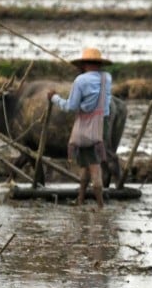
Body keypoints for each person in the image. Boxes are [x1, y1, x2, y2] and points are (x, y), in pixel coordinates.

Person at [47, 47, 112, 208]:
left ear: (83, 64)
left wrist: (54, 98)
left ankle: (101, 207)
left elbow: (71, 106)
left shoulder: (80, 81)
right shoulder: (107, 78)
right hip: (102, 124)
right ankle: (80, 199)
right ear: (99, 64)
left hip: (86, 128)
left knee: (94, 167)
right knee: (86, 164)